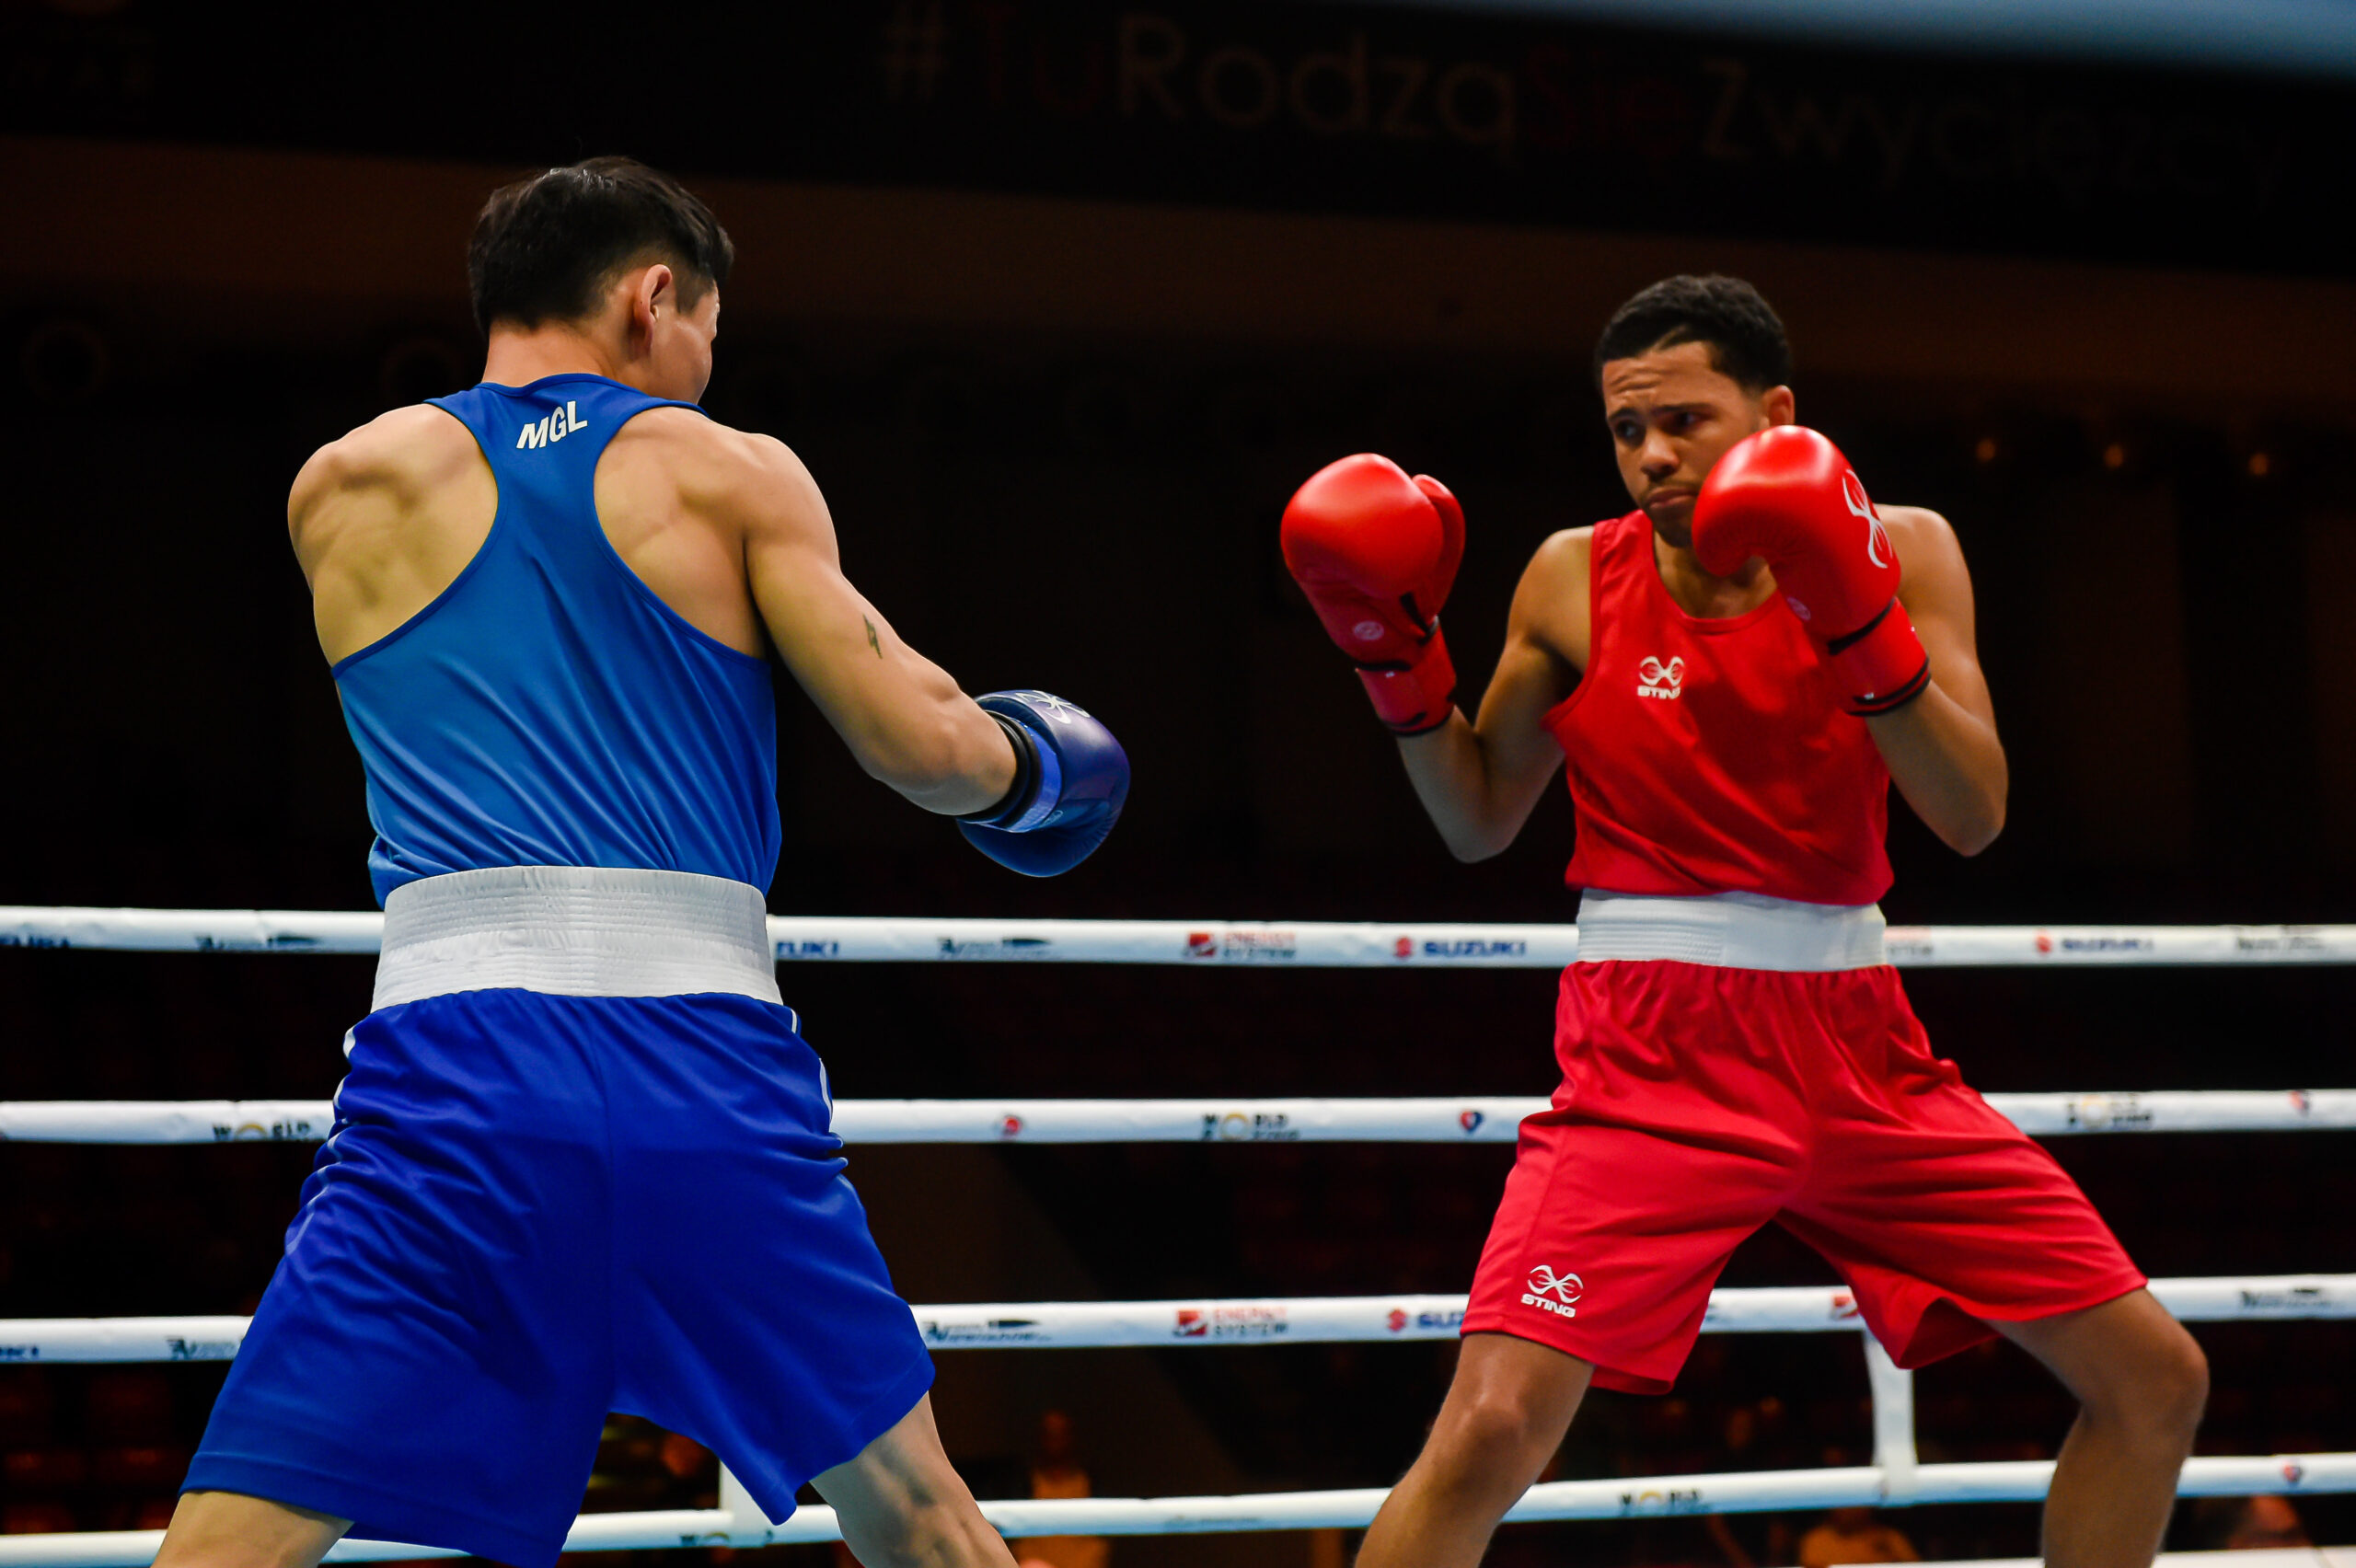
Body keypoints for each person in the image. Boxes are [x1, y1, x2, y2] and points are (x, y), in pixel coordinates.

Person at [156, 157, 1126, 1568]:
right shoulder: (723, 470)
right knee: (919, 1514)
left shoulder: (343, 485)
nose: (702, 374)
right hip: (703, 1072)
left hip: (451, 1084)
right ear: (651, 298)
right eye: (706, 338)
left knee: (242, 1528)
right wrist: (1041, 770)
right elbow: (919, 746)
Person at [1280, 274, 2207, 1568]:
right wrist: (1394, 663)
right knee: (1488, 1430)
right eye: (1627, 429)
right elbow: (1477, 816)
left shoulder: (1906, 548)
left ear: (1775, 415)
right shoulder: (1573, 576)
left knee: (2155, 1380)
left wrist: (1857, 620)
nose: (1652, 455)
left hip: (1864, 1050)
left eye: (1684, 421)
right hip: (1652, 1056)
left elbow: (1973, 813)